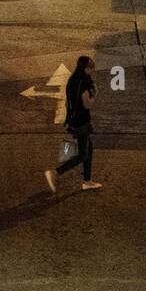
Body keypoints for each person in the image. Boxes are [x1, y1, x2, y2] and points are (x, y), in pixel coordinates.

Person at [44, 56, 102, 194]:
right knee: (83, 154)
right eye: (91, 68)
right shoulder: (83, 82)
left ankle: (87, 181)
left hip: (74, 120)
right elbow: (87, 104)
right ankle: (55, 172)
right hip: (82, 122)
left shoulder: (73, 79)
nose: (93, 71)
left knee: (89, 148)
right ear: (86, 68)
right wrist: (96, 94)